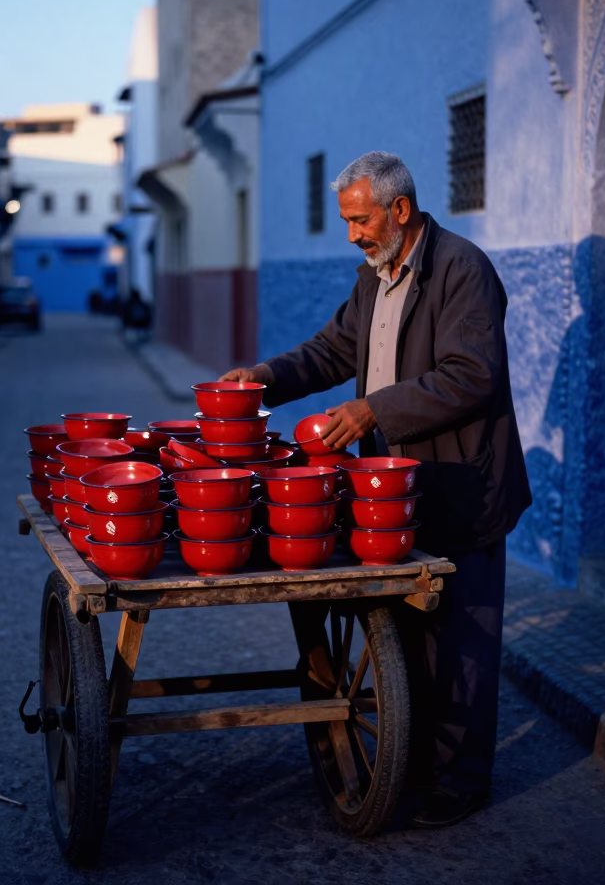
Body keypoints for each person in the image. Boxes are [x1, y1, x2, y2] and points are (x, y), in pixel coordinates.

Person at [222, 151, 531, 829]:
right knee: (408, 636)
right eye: (346, 222)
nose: (353, 235)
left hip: (461, 485)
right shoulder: (374, 278)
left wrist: (373, 411)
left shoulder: (461, 269)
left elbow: (470, 375)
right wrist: (263, 379)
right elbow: (332, 351)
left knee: (463, 644)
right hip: (392, 492)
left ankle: (460, 786)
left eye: (361, 220)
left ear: (399, 209)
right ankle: (411, 767)